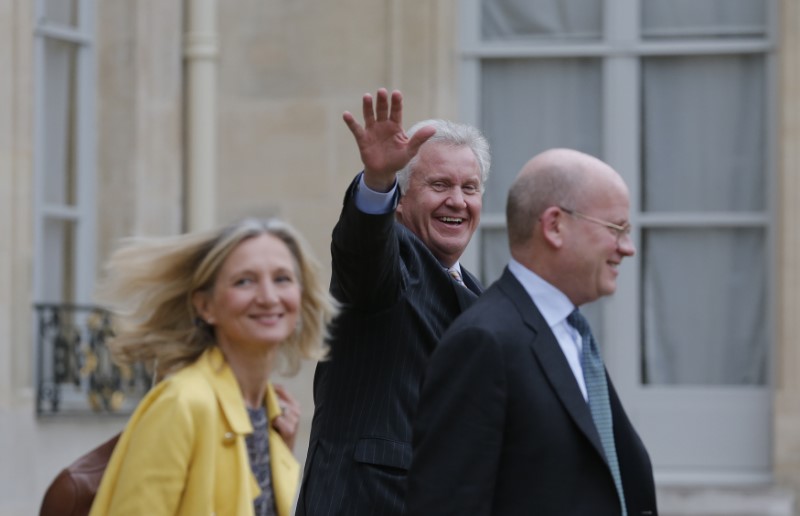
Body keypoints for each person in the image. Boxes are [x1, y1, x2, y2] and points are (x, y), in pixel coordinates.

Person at [407, 148, 658, 515]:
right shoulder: (483, 342)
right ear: (554, 225)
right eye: (616, 228)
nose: (628, 248)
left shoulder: (572, 333)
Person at [297, 88, 491, 515]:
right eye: (439, 185)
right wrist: (378, 182)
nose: (457, 200)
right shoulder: (391, 265)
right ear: (400, 203)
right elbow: (363, 252)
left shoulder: (482, 297)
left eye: (469, 188)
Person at [88, 218, 337, 516]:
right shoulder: (181, 404)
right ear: (205, 306)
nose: (269, 297)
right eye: (244, 281)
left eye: (282, 278)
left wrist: (280, 450)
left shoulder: (269, 416)